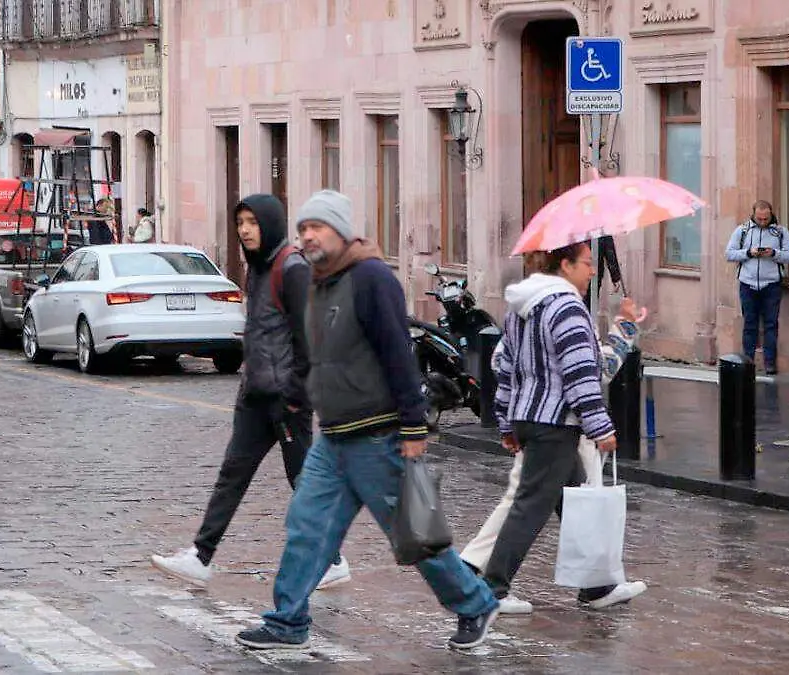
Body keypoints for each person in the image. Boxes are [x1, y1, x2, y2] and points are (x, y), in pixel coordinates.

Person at [235, 189, 499, 651]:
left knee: (415, 537)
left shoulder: (372, 278)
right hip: (333, 437)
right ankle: (287, 621)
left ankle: (475, 602)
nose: (307, 236)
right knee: (307, 527)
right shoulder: (319, 280)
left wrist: (415, 426)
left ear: (341, 230)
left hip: (379, 436)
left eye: (316, 227)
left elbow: (398, 353)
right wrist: (302, 396)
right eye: (302, 230)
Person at [152, 194, 350, 590]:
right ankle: (201, 556)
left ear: (270, 224)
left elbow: (306, 340)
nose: (244, 229)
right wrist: (247, 385)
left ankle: (333, 560)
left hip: (287, 400)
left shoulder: (291, 268)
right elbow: (259, 333)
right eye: (240, 221)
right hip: (256, 395)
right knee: (232, 475)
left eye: (252, 222)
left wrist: (295, 396)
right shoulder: (256, 269)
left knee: (304, 481)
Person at [474, 243, 648, 614]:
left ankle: (597, 586)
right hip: (555, 422)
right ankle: (492, 590)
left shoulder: (522, 307)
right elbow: (582, 374)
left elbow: (507, 368)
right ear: (565, 265)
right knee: (529, 508)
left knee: (572, 501)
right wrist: (601, 427)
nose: (591, 272)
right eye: (586, 264)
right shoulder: (567, 307)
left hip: (531, 417)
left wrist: (506, 420)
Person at [724, 200, 789, 375]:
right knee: (750, 324)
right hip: (748, 284)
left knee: (771, 324)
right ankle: (747, 362)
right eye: (759, 218)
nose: (763, 222)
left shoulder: (780, 232)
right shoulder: (742, 231)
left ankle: (770, 363)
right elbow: (729, 253)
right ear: (753, 215)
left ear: (771, 214)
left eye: (766, 218)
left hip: (771, 285)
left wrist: (774, 254)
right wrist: (749, 253)